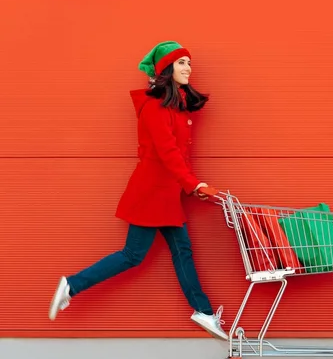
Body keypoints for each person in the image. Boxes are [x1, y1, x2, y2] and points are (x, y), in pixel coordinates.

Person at [48, 41, 228, 341]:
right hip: (152, 192)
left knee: (180, 251)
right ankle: (72, 285)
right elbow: (167, 152)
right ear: (166, 69)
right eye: (181, 63)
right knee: (133, 255)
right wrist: (192, 183)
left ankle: (203, 311)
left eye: (189, 63)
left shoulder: (173, 105)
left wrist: (192, 184)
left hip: (166, 192)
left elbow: (179, 156)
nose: (188, 68)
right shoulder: (155, 107)